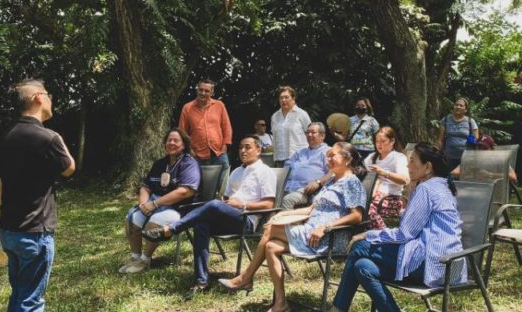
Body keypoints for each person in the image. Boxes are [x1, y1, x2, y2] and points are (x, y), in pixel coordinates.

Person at [218, 142, 367, 312]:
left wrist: (325, 227)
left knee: (270, 229)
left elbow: (357, 216)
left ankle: (245, 278)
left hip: (329, 237)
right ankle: (281, 304)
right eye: (328, 156)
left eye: (333, 155)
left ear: (347, 160)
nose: (328, 160)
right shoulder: (331, 181)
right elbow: (311, 209)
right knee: (271, 246)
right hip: (310, 233)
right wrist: (283, 214)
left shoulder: (351, 183)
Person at [331, 143, 466, 312]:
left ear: (428, 167)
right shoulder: (442, 185)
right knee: (363, 267)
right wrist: (410, 194)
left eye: (412, 161)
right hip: (449, 268)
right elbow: (414, 227)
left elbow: (404, 234)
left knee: (360, 247)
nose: (408, 166)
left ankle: (337, 309)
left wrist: (367, 235)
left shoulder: (426, 189)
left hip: (433, 265)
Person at [144, 135, 276, 300]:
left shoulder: (265, 172)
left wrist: (242, 206)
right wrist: (226, 204)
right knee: (201, 225)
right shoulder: (236, 171)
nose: (243, 151)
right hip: (228, 217)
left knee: (213, 204)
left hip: (247, 220)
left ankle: (172, 228)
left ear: (259, 149)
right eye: (241, 147)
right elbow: (225, 199)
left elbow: (269, 205)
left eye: (248, 147)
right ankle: (201, 282)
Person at [0, 79, 76, 312]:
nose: (51, 100)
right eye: (48, 94)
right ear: (38, 97)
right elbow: (69, 168)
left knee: (20, 292)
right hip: (35, 232)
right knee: (31, 301)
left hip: (9, 230)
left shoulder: (7, 137)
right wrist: (59, 140)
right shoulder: (49, 137)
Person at [118, 128, 201, 273]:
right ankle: (135, 258)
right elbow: (146, 187)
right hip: (155, 205)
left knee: (154, 222)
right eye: (169, 140)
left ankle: (145, 261)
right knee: (132, 218)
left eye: (176, 140)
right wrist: (143, 204)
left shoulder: (189, 163)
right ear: (164, 143)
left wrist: (155, 204)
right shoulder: (160, 164)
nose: (172, 143)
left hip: (179, 209)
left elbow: (184, 192)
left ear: (184, 144)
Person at [178, 79, 233, 172]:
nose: (203, 93)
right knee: (197, 186)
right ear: (197, 90)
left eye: (206, 91)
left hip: (219, 154)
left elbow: (227, 127)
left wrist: (224, 147)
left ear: (212, 93)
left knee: (223, 185)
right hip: (196, 156)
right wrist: (190, 151)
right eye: (201, 90)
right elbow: (182, 132)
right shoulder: (187, 108)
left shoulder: (219, 105)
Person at [364, 126, 410, 230]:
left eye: (383, 141)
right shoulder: (371, 157)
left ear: (392, 141)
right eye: (377, 141)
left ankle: (383, 233)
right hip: (371, 194)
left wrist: (384, 173)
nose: (379, 144)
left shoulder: (398, 157)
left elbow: (405, 180)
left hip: (391, 198)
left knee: (367, 207)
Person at [281, 122, 333, 210]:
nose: (309, 135)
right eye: (307, 132)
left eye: (313, 132)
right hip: (288, 188)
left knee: (288, 199)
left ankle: (288, 224)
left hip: (308, 191)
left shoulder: (328, 152)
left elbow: (334, 172)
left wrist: (318, 182)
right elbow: (286, 170)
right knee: (269, 198)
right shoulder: (300, 152)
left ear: (322, 136)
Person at [271, 86, 312, 166]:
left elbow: (311, 135)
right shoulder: (275, 117)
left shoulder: (302, 114)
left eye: (286, 97)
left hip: (298, 159)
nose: (283, 100)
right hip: (279, 159)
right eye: (281, 98)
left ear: (293, 99)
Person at [437, 97, 479, 172]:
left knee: (463, 179)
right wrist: (437, 154)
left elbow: (476, 139)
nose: (458, 107)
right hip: (449, 157)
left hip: (466, 158)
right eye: (456, 105)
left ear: (465, 110)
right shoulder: (446, 120)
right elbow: (440, 139)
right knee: (449, 179)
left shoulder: (470, 121)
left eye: (461, 105)